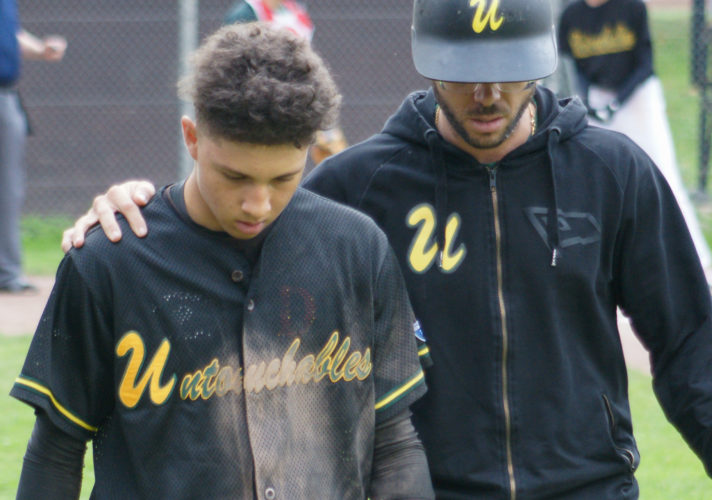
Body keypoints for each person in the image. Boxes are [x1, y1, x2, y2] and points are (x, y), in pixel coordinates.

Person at [61, 0, 712, 498]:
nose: (488, 92)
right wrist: (134, 209)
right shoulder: (356, 187)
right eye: (465, 71)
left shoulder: (612, 173)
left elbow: (689, 338)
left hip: (590, 488)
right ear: (429, 61)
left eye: (508, 69)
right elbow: (220, 238)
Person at [12, 22, 434, 499]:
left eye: (283, 178)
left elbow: (395, 441)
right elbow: (56, 451)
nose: (258, 204)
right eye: (235, 177)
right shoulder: (110, 261)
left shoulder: (358, 249)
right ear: (192, 137)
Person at [557, 0, 712, 284]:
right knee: (591, 183)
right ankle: (594, 272)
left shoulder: (631, 7)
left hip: (639, 96)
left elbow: (645, 65)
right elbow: (575, 68)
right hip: (597, 96)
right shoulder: (572, 15)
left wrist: (617, 103)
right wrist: (589, 99)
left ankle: (698, 266)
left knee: (664, 177)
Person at [224, 0, 348, 167]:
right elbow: (233, 66)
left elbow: (308, 59)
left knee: (329, 153)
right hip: (263, 105)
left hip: (298, 98)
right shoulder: (248, 13)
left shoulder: (292, 10)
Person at [0, 0, 66, 294]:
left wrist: (40, 49)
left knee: (8, 189)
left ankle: (6, 272)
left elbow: (9, 34)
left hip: (6, 95)